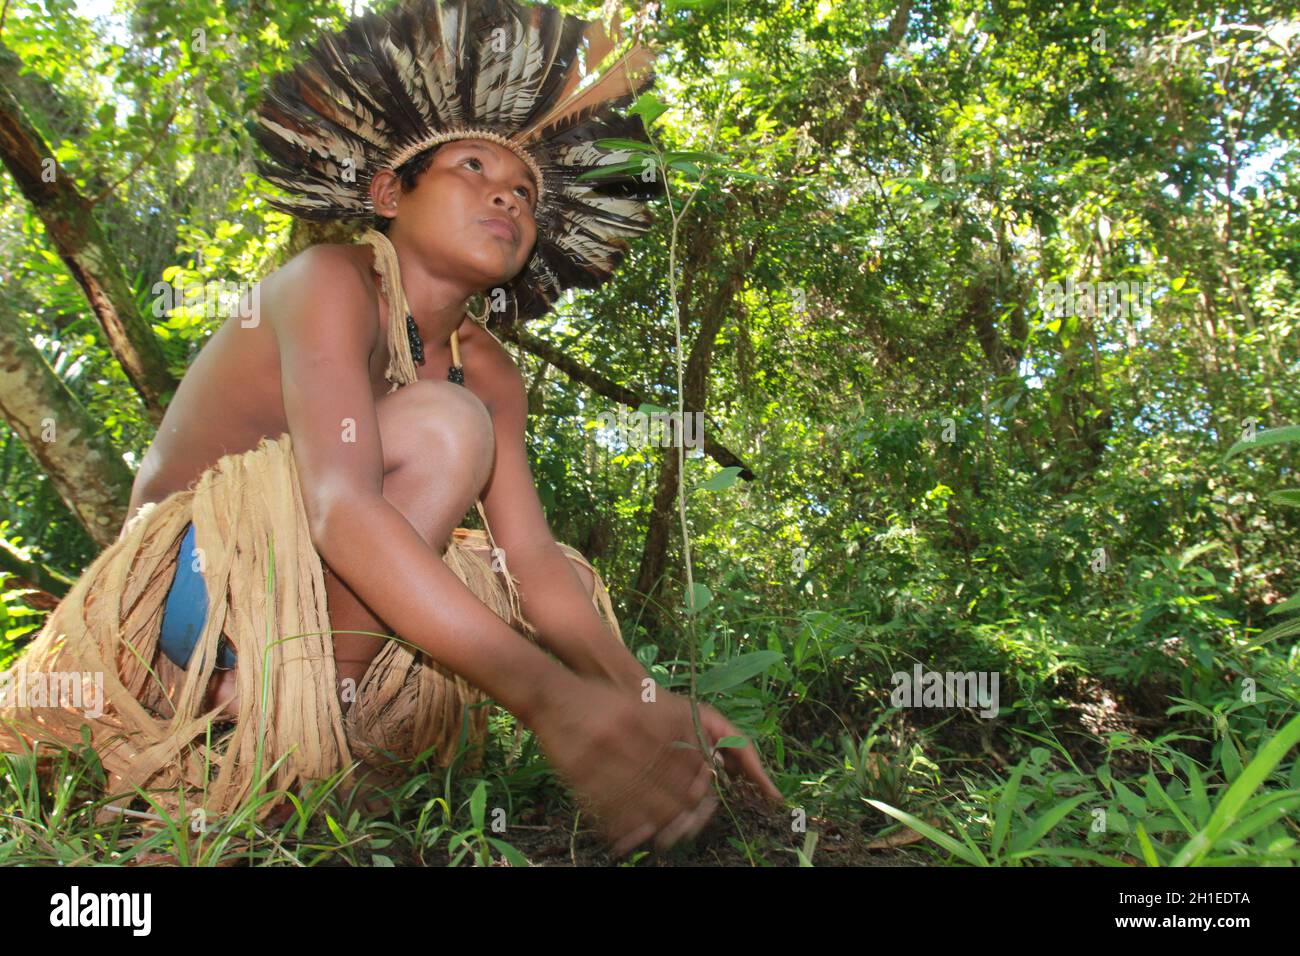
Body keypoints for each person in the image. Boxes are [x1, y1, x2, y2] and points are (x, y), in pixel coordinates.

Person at [1, 0, 781, 858]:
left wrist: (646, 704)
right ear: (387, 194)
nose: (506, 195)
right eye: (474, 167)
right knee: (446, 430)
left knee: (492, 561)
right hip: (180, 609)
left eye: (525, 193)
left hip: (310, 605)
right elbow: (339, 506)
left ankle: (320, 745)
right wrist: (552, 702)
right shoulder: (327, 283)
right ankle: (277, 727)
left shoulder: (487, 369)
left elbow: (534, 565)